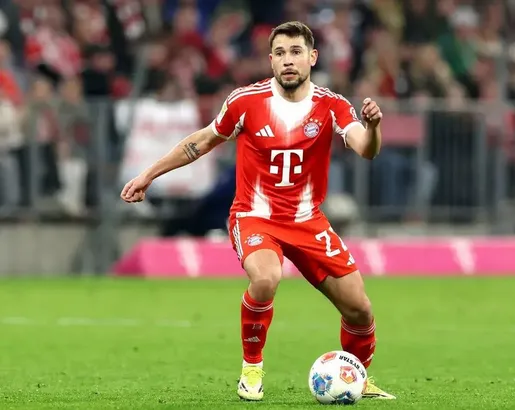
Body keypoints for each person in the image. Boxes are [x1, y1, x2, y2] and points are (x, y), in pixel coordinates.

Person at [121, 21, 396, 401]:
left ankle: (356, 378)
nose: (288, 60)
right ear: (270, 60)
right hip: (255, 216)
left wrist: (374, 127)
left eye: (296, 52)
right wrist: (148, 175)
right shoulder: (245, 101)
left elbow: (366, 148)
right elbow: (201, 141)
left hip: (307, 220)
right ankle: (252, 369)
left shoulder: (332, 105)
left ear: (312, 57)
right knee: (266, 278)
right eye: (280, 53)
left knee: (360, 309)